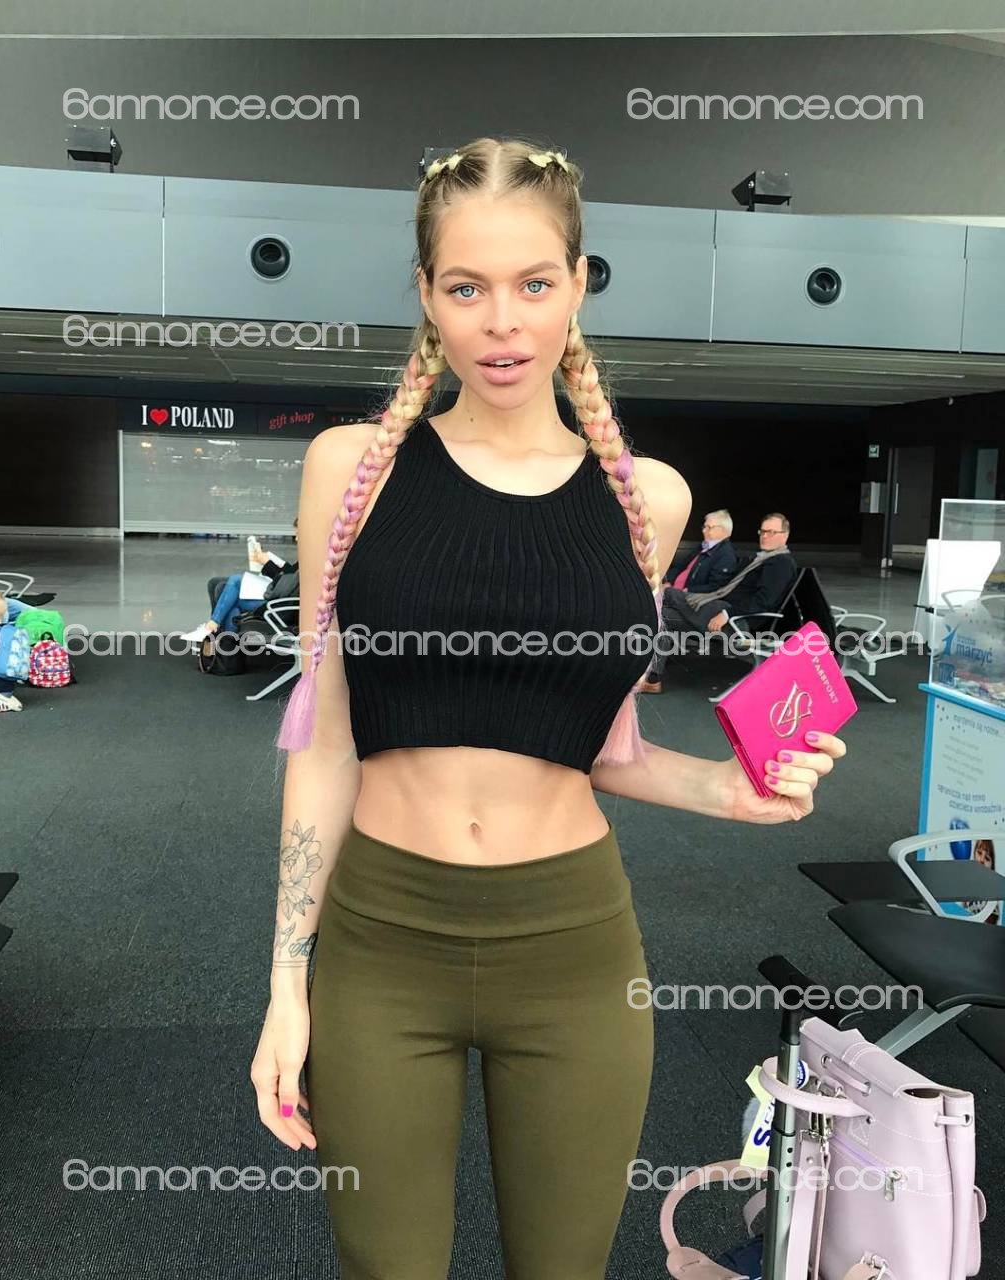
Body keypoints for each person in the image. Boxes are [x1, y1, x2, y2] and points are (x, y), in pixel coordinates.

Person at [249, 138, 846, 1280]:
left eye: (532, 282)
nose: (502, 322)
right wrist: (286, 980)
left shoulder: (646, 499)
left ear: (578, 283)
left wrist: (725, 789)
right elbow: (323, 741)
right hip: (383, 940)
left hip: (573, 945)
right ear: (426, 296)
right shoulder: (352, 469)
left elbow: (592, 747)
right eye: (466, 286)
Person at [639, 512, 797, 690]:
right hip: (721, 610)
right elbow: (725, 586)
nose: (765, 536)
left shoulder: (780, 563)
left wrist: (727, 614)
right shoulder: (758, 559)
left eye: (771, 532)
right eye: (763, 531)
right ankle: (652, 680)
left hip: (737, 622)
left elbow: (763, 602)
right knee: (664, 615)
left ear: (785, 535)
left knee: (668, 594)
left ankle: (641, 600)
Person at [181, 520, 299, 643]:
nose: (296, 539)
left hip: (280, 602)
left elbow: (287, 582)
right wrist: (275, 563)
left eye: (298, 534)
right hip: (279, 595)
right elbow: (290, 575)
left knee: (233, 584)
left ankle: (214, 630)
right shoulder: (305, 556)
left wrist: (268, 564)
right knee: (216, 583)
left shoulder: (307, 559)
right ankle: (221, 636)